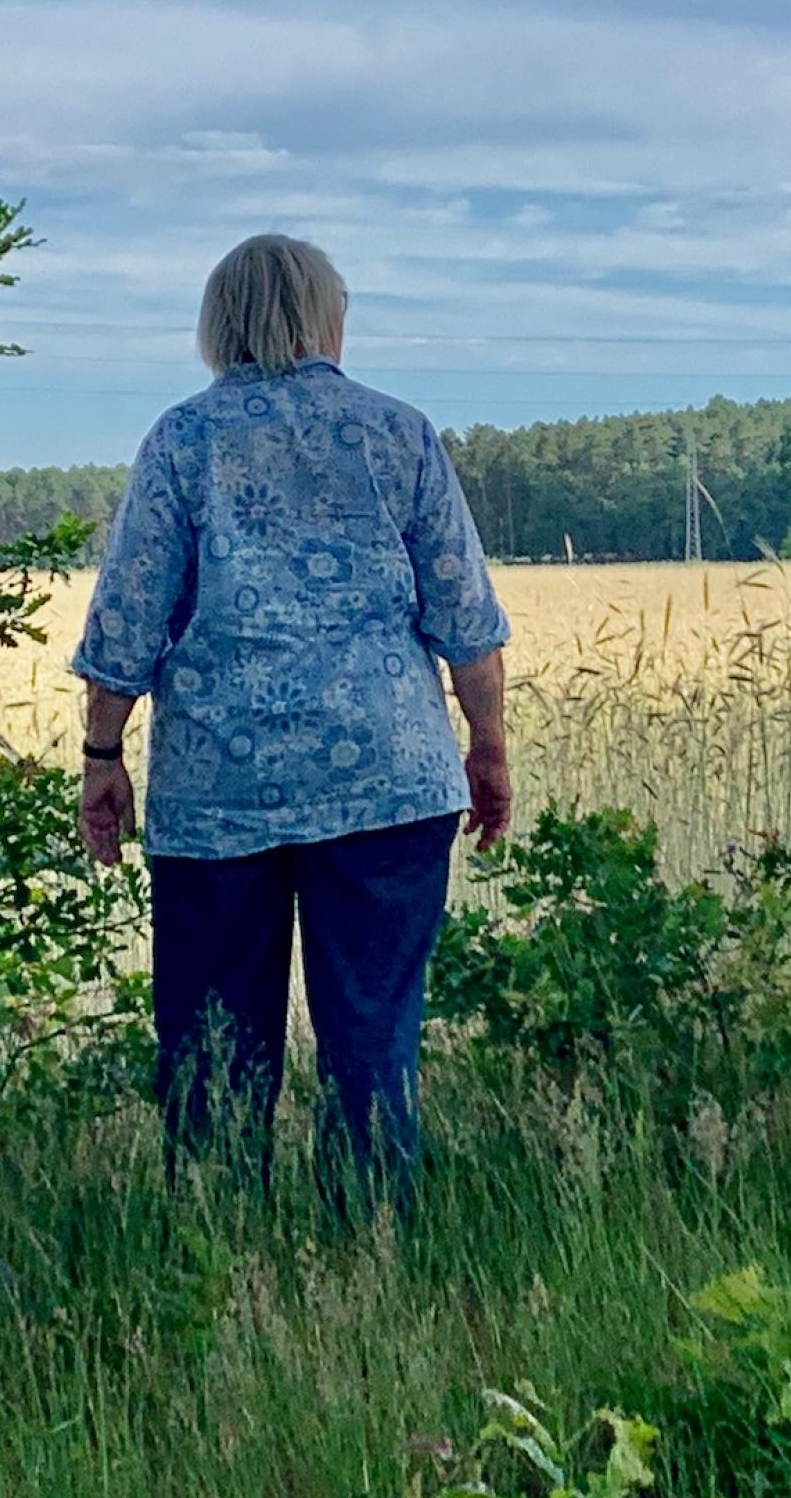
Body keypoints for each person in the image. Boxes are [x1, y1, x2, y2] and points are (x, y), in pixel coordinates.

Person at [74, 234, 512, 1215]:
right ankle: (370, 1253)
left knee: (213, 1041)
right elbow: (465, 619)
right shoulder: (396, 432)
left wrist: (101, 753)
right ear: (329, 319)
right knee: (371, 1037)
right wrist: (485, 745)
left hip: (218, 787)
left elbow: (126, 619)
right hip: (390, 777)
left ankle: (219, 1253)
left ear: (217, 327)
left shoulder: (183, 438)